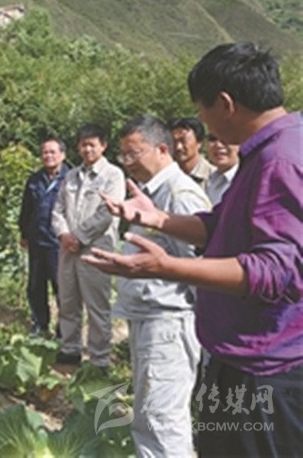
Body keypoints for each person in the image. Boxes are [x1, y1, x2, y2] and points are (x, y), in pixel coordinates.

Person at [84, 42, 302, 457]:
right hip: (247, 360)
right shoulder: (272, 149)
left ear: (225, 104)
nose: (202, 122)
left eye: (202, 109)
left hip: (265, 368)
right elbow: (223, 226)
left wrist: (165, 267)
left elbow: (277, 271)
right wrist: (159, 219)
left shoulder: (280, 160)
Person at [114, 116, 211, 456]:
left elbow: (201, 268)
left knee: (163, 421)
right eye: (123, 155)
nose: (128, 162)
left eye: (134, 153)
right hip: (149, 319)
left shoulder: (179, 195)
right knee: (148, 420)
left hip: (168, 324)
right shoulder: (152, 192)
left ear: (162, 149)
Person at [50, 123, 124, 370]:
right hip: (68, 249)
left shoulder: (113, 175)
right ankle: (70, 348)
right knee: (68, 301)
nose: (87, 149)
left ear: (103, 146)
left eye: (92, 144)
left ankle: (99, 358)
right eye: (83, 145)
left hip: (96, 249)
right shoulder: (71, 176)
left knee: (97, 305)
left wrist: (79, 237)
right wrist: (64, 234)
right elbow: (58, 209)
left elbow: (107, 213)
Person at [19, 137, 69, 337]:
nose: (48, 156)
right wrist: (24, 233)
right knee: (36, 285)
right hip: (37, 240)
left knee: (61, 286)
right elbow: (26, 209)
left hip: (58, 242)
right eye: (45, 152)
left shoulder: (71, 178)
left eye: (52, 152)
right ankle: (40, 324)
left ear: (62, 155)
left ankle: (64, 329)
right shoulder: (34, 179)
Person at [168, 117, 215, 191]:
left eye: (184, 141)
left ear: (199, 143)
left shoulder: (214, 178)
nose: (178, 147)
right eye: (174, 141)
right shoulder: (166, 177)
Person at [205, 133, 239, 206]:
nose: (218, 145)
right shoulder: (210, 180)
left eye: (226, 138)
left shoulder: (247, 181)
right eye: (212, 139)